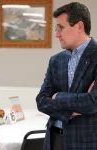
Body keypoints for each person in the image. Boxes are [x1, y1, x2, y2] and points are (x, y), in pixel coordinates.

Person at [36, 2, 97, 150]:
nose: (57, 34)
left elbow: (92, 102)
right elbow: (41, 101)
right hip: (54, 140)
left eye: (60, 28)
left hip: (85, 143)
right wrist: (75, 108)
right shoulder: (56, 60)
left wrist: (57, 97)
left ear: (79, 26)